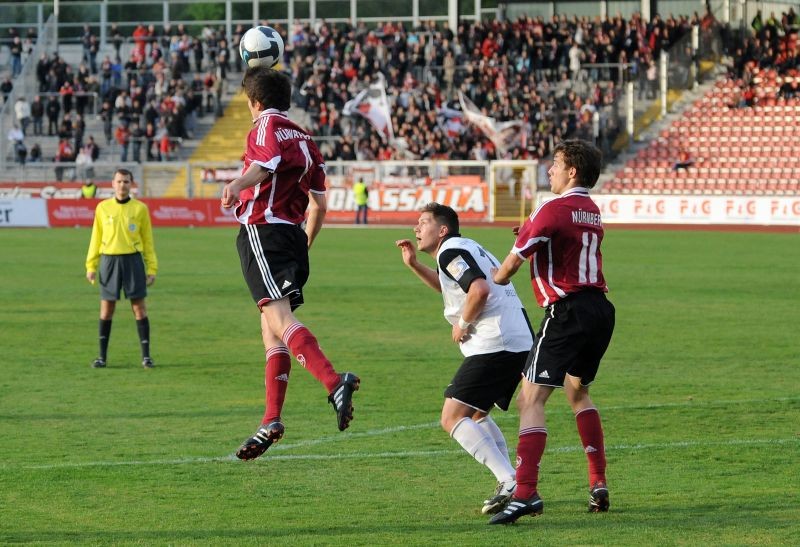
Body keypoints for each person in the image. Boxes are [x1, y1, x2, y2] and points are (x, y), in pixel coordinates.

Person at [220, 67, 360, 460]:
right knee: (271, 329)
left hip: (263, 232)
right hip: (294, 238)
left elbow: (263, 165)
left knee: (279, 322)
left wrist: (236, 185)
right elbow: (320, 204)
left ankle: (334, 382)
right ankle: (271, 418)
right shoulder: (306, 138)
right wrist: (304, 245)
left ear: (254, 102)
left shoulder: (263, 126)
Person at [488, 139, 616, 524]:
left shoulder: (551, 206)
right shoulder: (590, 209)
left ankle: (525, 492)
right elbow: (560, 238)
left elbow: (506, 269)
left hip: (567, 312)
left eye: (555, 164)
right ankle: (598, 482)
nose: (550, 170)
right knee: (577, 391)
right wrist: (530, 230)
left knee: (530, 399)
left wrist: (500, 267)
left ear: (572, 171)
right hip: (600, 311)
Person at [395, 203, 534, 515]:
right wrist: (415, 265)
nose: (417, 229)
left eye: (424, 222)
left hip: (496, 342)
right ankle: (513, 481)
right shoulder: (463, 247)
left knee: (451, 416)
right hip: (515, 339)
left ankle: (509, 479)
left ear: (442, 230)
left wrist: (464, 324)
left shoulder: (450, 251)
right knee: (475, 416)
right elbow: (455, 288)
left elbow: (479, 290)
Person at [85, 169, 158, 369]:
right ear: (112, 183)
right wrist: (91, 265)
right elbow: (95, 238)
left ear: (131, 184)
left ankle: (146, 357)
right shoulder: (102, 208)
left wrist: (151, 268)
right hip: (109, 261)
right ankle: (101, 357)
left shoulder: (140, 209)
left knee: (139, 308)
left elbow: (148, 241)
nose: (122, 185)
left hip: (133, 261)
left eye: (126, 181)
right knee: (107, 309)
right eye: (119, 181)